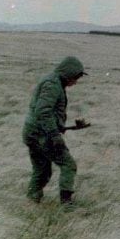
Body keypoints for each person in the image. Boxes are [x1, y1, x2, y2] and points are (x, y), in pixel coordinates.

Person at [22, 56, 87, 208]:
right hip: (42, 135)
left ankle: (32, 200)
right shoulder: (53, 85)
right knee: (68, 164)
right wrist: (55, 135)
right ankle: (67, 204)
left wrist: (68, 127)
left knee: (42, 170)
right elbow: (43, 112)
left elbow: (45, 114)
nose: (76, 81)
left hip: (33, 133)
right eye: (75, 77)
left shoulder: (54, 82)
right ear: (68, 74)